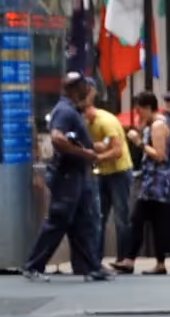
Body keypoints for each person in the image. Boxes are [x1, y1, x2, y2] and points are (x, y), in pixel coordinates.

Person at [24, 74, 111, 282]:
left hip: (75, 175)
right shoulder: (65, 111)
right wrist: (85, 154)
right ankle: (33, 266)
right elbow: (57, 139)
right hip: (67, 176)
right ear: (74, 90)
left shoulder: (71, 110)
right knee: (58, 220)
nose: (88, 91)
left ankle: (90, 267)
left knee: (81, 221)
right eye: (84, 88)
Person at [129, 90, 170, 275]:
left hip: (157, 184)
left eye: (139, 110)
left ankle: (131, 259)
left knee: (139, 219)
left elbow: (160, 155)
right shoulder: (154, 124)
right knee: (151, 222)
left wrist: (139, 142)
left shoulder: (158, 125)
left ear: (148, 108)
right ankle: (153, 262)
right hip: (153, 182)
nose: (138, 114)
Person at [89, 92, 136, 273]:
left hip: (119, 171)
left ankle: (124, 260)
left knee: (121, 217)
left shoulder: (106, 121)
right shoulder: (87, 123)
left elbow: (116, 150)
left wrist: (98, 156)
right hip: (103, 172)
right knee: (99, 216)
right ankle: (96, 259)